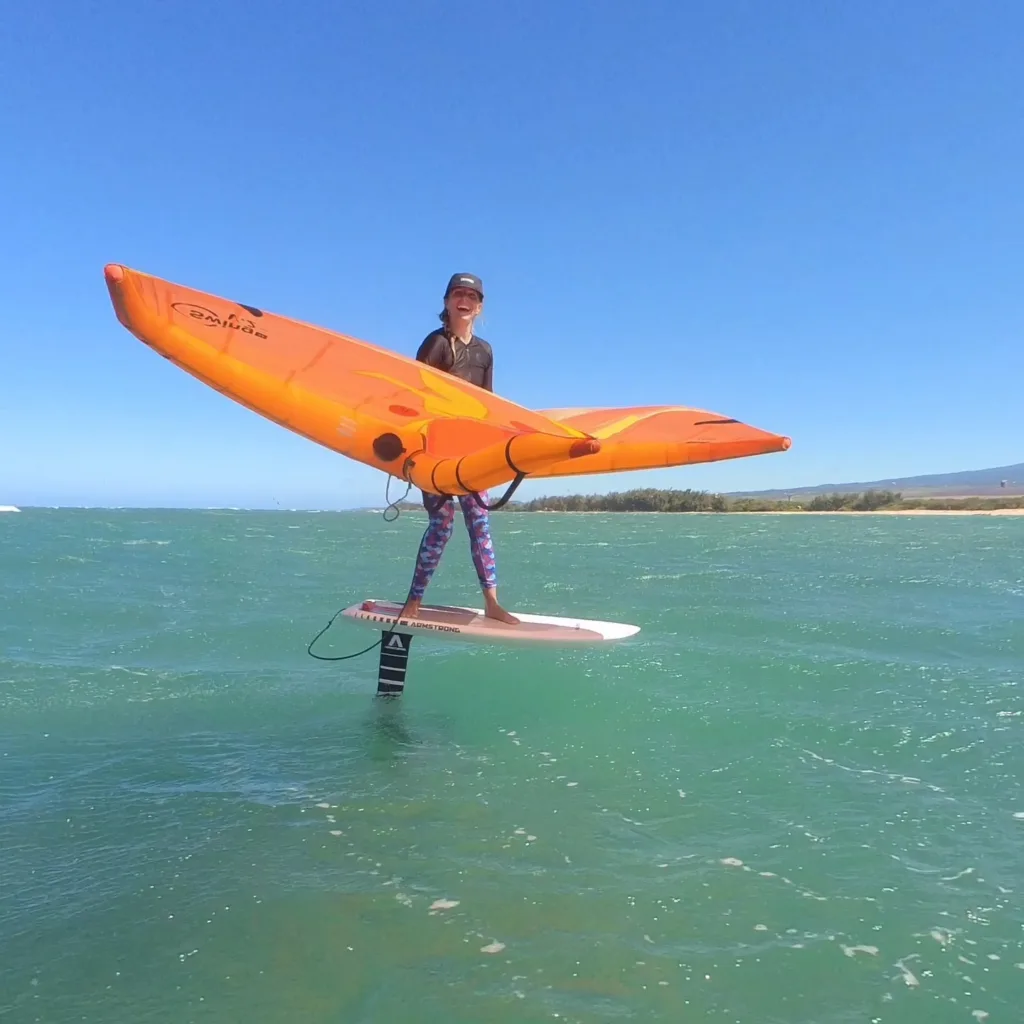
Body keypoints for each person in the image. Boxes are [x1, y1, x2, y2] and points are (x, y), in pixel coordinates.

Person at [402, 273, 519, 624]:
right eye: (457, 293)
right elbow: (414, 396)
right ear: (447, 301)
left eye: (471, 295)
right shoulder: (435, 344)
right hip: (435, 447)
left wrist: (496, 448)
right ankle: (414, 601)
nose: (464, 300)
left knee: (479, 522)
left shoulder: (485, 351)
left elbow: (488, 403)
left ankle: (493, 603)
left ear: (479, 306)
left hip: (471, 449)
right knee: (441, 524)